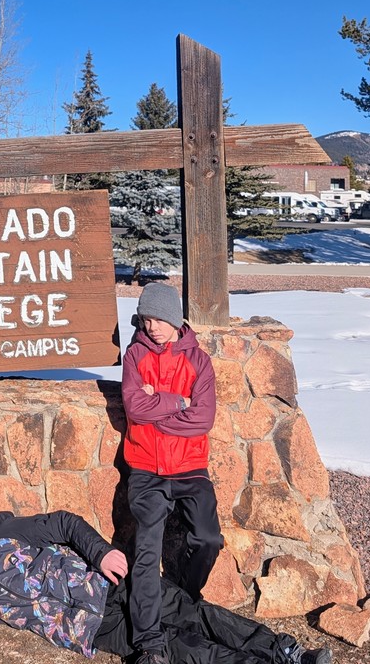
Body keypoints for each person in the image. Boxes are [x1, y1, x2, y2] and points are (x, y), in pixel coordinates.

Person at [0, 501, 332, 664]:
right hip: (97, 630)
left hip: (107, 585)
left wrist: (99, 551)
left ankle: (283, 650)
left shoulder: (7, 533)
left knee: (192, 613)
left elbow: (63, 523)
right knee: (181, 650)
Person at [121, 282, 225, 662]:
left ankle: (182, 597)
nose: (152, 327)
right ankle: (149, 642)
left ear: (175, 319)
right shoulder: (135, 355)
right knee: (147, 550)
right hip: (146, 468)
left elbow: (204, 418)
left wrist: (158, 409)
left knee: (208, 538)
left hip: (190, 467)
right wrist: (178, 402)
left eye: (158, 319)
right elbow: (134, 408)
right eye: (146, 320)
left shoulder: (198, 361)